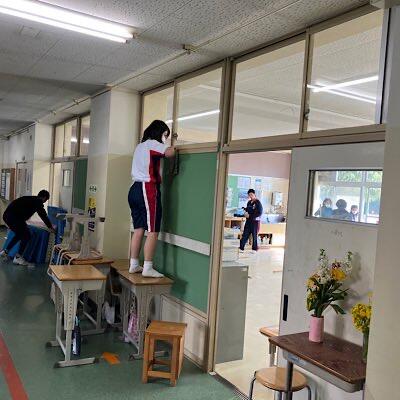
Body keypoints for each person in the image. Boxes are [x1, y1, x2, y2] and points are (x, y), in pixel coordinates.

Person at [128, 120, 175, 277]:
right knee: (153, 229)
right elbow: (169, 153)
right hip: (147, 189)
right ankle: (148, 267)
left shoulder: (139, 146)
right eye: (165, 135)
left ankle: (134, 264)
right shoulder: (153, 144)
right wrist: (173, 145)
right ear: (160, 133)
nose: (165, 139)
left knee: (138, 229)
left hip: (134, 189)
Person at [0, 190, 55, 266]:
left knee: (20, 234)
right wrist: (50, 227)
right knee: (26, 235)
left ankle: (5, 251)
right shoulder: (38, 201)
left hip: (7, 216)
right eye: (45, 200)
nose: (44, 202)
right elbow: (43, 215)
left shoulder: (31, 199)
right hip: (14, 217)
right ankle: (18, 257)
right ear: (44, 198)